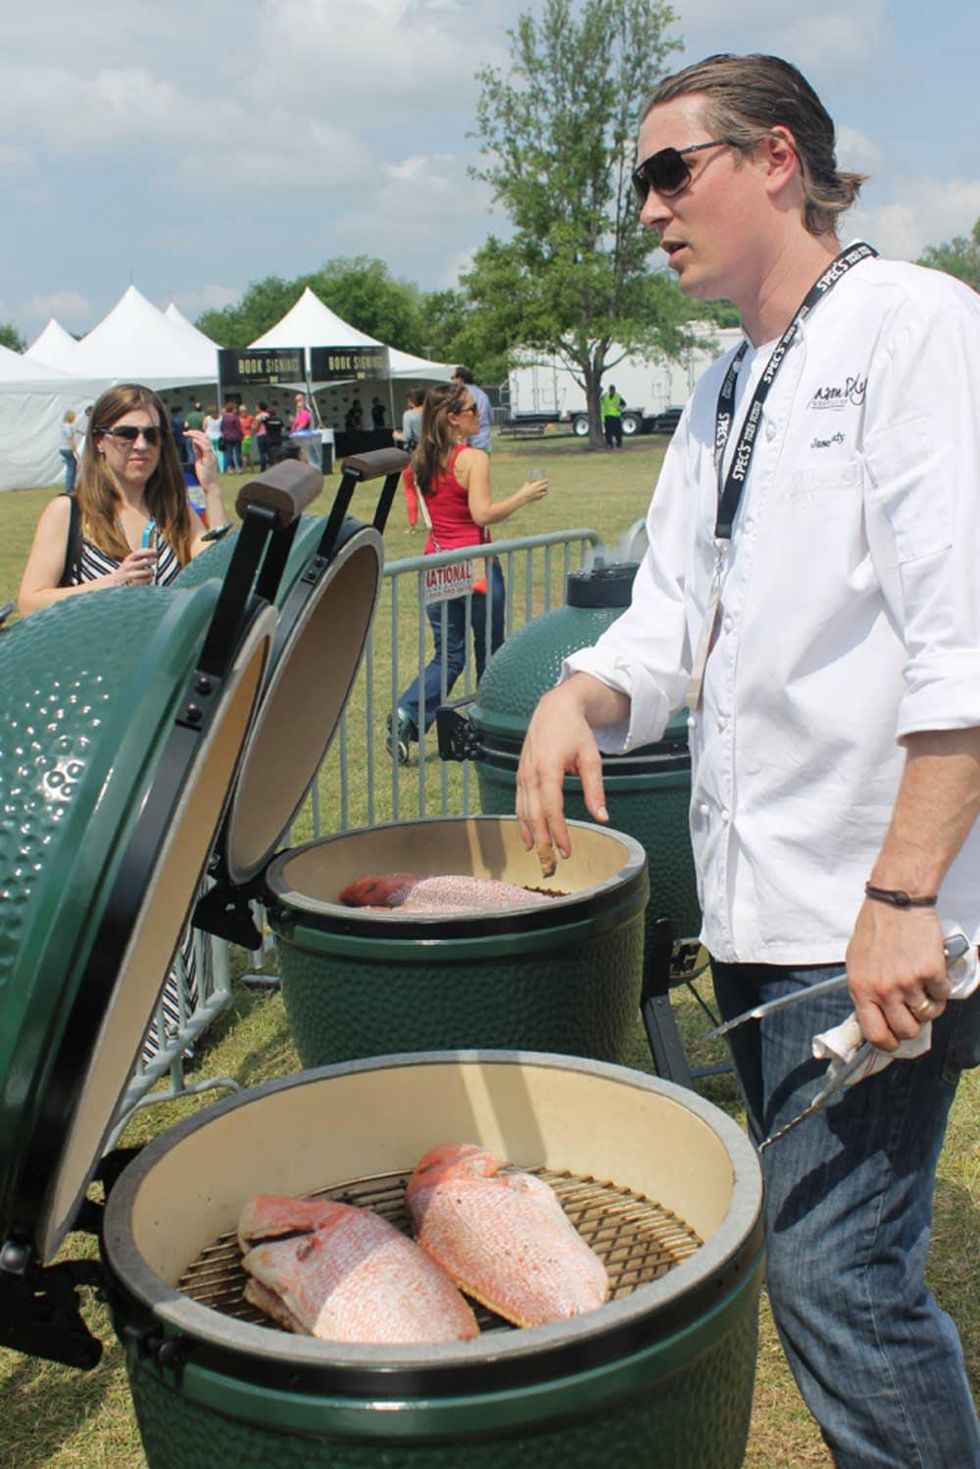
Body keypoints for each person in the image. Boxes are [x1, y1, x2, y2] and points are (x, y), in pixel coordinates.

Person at [515, 53, 980, 1469]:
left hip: (878, 916)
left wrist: (906, 895)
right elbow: (670, 620)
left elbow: (969, 641)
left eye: (673, 171)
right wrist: (582, 695)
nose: (650, 208)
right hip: (764, 909)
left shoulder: (918, 332)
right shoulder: (726, 382)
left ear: (780, 160)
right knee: (828, 1259)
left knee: (836, 1273)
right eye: (640, 182)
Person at [387, 383, 548, 763]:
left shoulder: (422, 458)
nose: (482, 415)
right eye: (474, 410)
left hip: (437, 562)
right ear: (454, 419)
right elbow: (482, 514)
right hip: (475, 563)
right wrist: (523, 495)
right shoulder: (472, 459)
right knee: (489, 648)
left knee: (449, 655)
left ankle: (407, 714)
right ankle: (489, 727)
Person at [19, 382, 219, 610]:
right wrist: (114, 582)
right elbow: (29, 603)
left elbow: (218, 573)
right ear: (99, 441)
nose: (141, 445)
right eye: (126, 434)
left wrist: (211, 488)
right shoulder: (68, 511)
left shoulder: (173, 509)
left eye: (152, 435)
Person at [393, 388, 425, 531]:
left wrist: (396, 436)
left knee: (409, 489)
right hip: (429, 453)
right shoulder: (431, 413)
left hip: (412, 454)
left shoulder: (409, 415)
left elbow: (407, 436)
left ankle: (413, 524)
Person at [451, 365, 492, 451]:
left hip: (469, 442)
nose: (452, 381)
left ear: (460, 378)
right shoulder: (482, 394)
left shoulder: (462, 394)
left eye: (453, 378)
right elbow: (490, 417)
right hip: (484, 441)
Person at [599, 383, 625, 448]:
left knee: (618, 431)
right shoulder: (605, 396)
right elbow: (599, 400)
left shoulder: (618, 396)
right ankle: (609, 444)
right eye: (611, 390)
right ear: (609, 390)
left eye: (613, 390)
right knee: (608, 432)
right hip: (607, 416)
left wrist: (620, 408)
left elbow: (624, 404)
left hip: (616, 416)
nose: (612, 391)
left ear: (614, 390)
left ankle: (619, 443)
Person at [58, 409, 78, 492]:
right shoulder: (68, 426)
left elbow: (76, 430)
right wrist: (73, 447)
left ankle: (71, 486)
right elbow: (70, 438)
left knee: (72, 466)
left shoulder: (63, 425)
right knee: (71, 468)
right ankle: (69, 488)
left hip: (62, 448)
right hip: (67, 448)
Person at [253, 400, 271, 471]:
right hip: (268, 435)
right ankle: (271, 465)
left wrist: (253, 428)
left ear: (260, 408)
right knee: (269, 451)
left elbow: (256, 427)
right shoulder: (268, 415)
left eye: (257, 407)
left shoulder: (258, 416)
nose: (256, 408)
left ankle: (263, 468)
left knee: (262, 452)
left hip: (261, 435)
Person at [238, 402, 255, 468]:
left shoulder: (250, 417)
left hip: (246, 437)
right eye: (242, 411)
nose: (243, 413)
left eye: (244, 411)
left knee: (244, 454)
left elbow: (253, 427)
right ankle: (252, 468)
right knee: (248, 453)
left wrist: (251, 434)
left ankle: (243, 468)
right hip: (244, 437)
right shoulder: (239, 418)